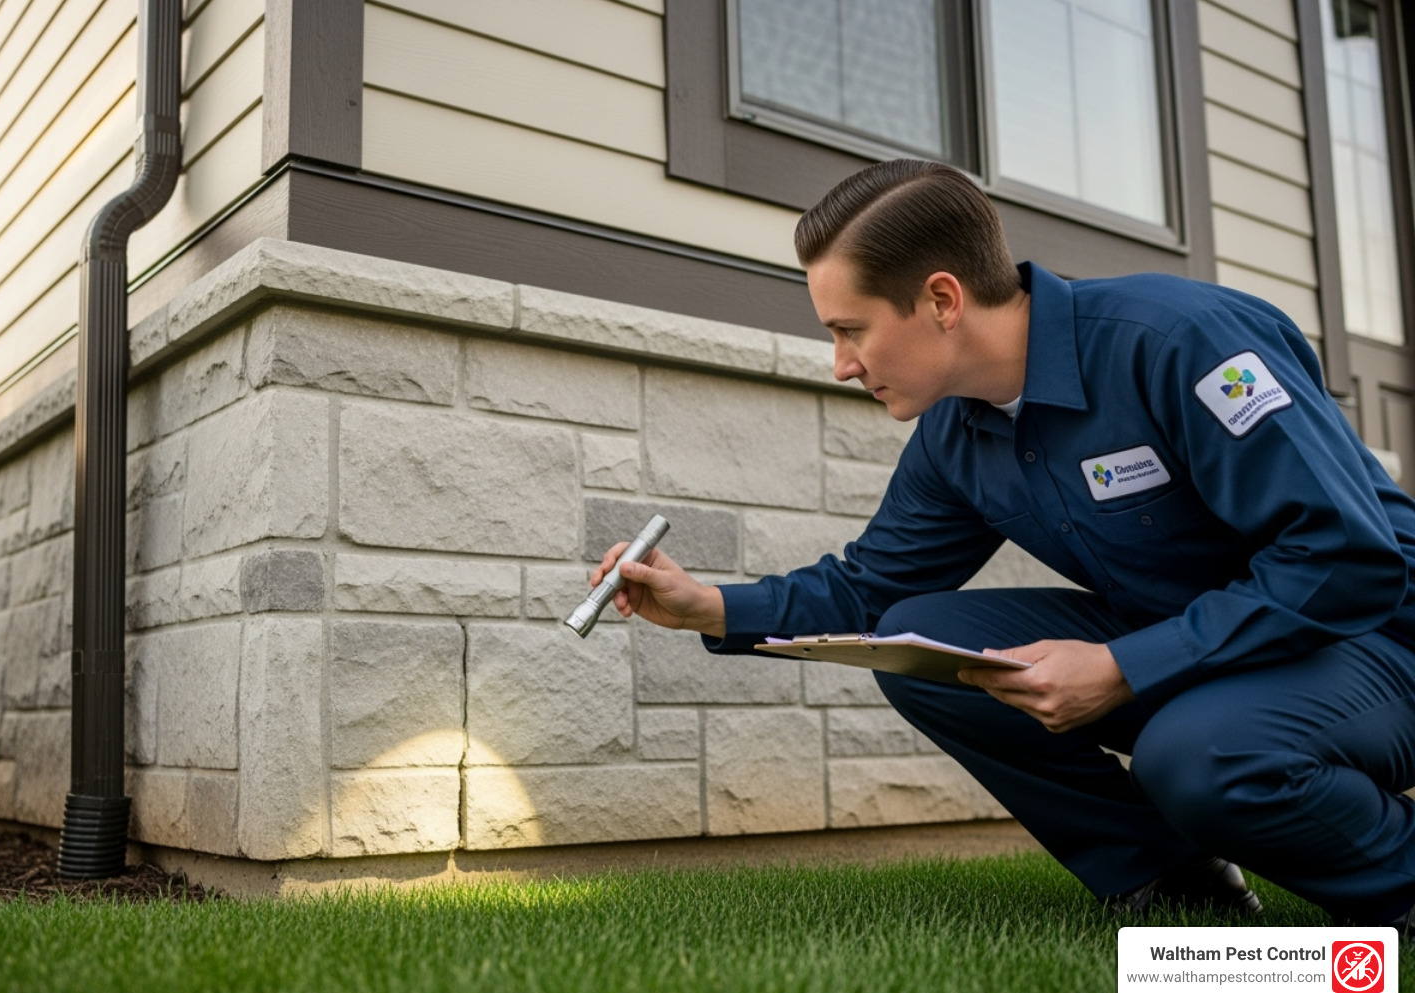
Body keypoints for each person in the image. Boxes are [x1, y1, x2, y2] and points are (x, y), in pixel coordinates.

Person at [590, 158, 1415, 930]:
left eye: (852, 330)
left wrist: (1126, 667)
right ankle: (1175, 885)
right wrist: (708, 607)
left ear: (942, 300)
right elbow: (867, 593)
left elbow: (1345, 556)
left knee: (1197, 754)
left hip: (1372, 637)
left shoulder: (1179, 341)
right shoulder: (958, 435)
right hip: (1212, 646)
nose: (840, 364)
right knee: (923, 641)